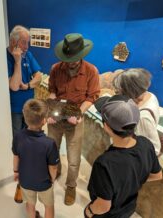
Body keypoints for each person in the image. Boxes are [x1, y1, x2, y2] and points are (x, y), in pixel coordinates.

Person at [84, 95, 162, 218]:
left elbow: (103, 206)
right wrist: (133, 181)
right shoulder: (146, 144)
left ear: (106, 126)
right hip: (128, 209)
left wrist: (89, 211)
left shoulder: (104, 164)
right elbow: (157, 175)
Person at [47, 33, 100, 205]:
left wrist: (78, 114)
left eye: (74, 59)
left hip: (75, 118)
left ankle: (71, 186)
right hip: (57, 118)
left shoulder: (91, 71)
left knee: (74, 158)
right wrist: (52, 109)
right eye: (67, 59)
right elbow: (52, 91)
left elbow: (92, 97)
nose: (70, 63)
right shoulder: (56, 68)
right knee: (52, 150)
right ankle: (56, 171)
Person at [12, 99, 59, 218]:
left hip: (25, 179)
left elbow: (16, 156)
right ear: (44, 121)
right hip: (44, 182)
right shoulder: (50, 143)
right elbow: (53, 167)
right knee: (49, 206)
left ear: (24, 115)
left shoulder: (18, 137)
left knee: (30, 204)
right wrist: (52, 179)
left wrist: (16, 172)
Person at [112, 68, 161, 154]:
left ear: (130, 90)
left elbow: (155, 149)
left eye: (119, 90)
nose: (117, 92)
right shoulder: (149, 95)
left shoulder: (142, 117)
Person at [7, 25, 42, 136]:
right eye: (23, 42)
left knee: (30, 134)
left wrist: (27, 85)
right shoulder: (4, 57)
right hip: (15, 108)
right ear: (13, 41)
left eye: (28, 42)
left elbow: (38, 77)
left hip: (29, 106)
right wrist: (17, 62)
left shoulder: (28, 55)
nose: (27, 47)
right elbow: (14, 86)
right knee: (17, 138)